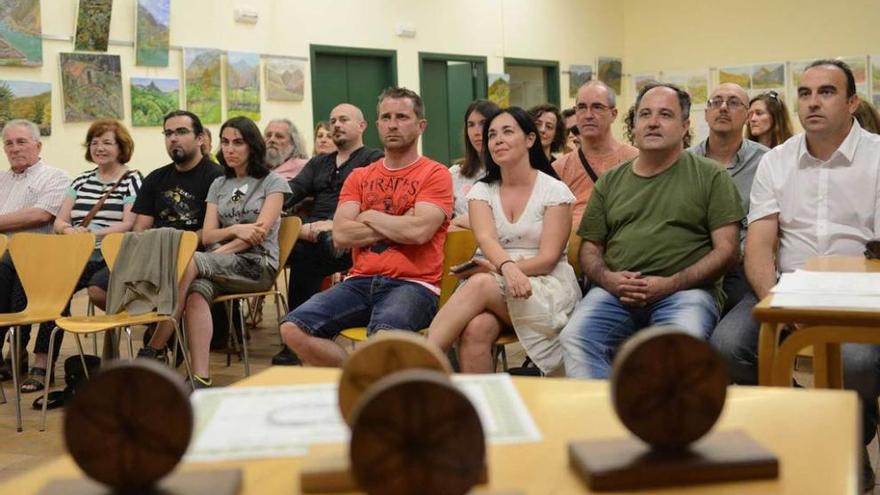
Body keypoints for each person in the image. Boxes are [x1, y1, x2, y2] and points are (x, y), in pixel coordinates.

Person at [709, 60, 880, 491]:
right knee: (728, 346)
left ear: (852, 102)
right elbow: (761, 247)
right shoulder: (776, 162)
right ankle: (815, 420)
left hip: (861, 290)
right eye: (804, 94)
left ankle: (849, 439)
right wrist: (780, 302)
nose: (813, 102)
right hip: (785, 286)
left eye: (826, 92)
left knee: (857, 362)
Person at [559, 83, 744, 379]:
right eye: (645, 114)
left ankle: (660, 422)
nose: (653, 122)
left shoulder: (711, 176)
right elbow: (590, 249)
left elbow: (727, 251)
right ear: (634, 125)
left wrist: (670, 283)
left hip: (686, 292)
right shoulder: (611, 182)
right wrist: (609, 279)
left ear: (684, 126)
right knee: (575, 337)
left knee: (675, 347)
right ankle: (603, 418)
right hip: (615, 293)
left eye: (665, 115)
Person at [279, 87, 452, 367]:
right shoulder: (360, 176)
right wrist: (399, 221)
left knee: (383, 340)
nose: (393, 124)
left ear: (421, 125)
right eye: (386, 117)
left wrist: (367, 214)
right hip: (359, 281)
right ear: (377, 124)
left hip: (414, 285)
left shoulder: (435, 173)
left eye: (402, 117)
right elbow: (343, 234)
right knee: (292, 328)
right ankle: (357, 377)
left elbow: (419, 232)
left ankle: (372, 385)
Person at [427, 107, 579, 374]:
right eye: (492, 135)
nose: (497, 140)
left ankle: (419, 360)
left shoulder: (555, 190)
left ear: (530, 140)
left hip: (544, 286)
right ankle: (480, 409)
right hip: (497, 279)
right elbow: (486, 238)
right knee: (476, 329)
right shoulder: (482, 190)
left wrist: (500, 269)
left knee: (481, 282)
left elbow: (548, 258)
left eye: (507, 131)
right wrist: (505, 268)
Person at [143, 116, 290, 388]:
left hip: (257, 265)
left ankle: (156, 343)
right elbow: (208, 234)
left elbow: (257, 235)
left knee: (191, 261)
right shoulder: (219, 184)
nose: (230, 149)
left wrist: (217, 253)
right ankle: (200, 377)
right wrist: (235, 231)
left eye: (238, 142)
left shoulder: (273, 183)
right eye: (225, 142)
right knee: (197, 291)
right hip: (217, 264)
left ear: (252, 146)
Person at [20, 120, 143, 393]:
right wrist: (70, 230)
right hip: (77, 255)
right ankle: (43, 363)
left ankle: (117, 349)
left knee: (97, 289)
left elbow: (128, 224)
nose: (99, 148)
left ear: (121, 147)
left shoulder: (132, 179)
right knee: (53, 293)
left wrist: (92, 233)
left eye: (107, 142)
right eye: (94, 143)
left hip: (112, 256)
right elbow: (60, 222)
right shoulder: (81, 180)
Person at [271, 103, 384, 366]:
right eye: (333, 120)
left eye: (344, 119)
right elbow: (293, 190)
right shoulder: (319, 162)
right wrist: (268, 204)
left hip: (349, 236)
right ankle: (300, 329)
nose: (336, 125)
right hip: (312, 233)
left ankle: (303, 332)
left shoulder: (372, 159)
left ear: (362, 126)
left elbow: (372, 204)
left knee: (311, 252)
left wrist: (331, 225)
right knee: (298, 251)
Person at [123, 110, 223, 362]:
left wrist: (181, 244)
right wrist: (148, 250)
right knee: (100, 288)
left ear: (200, 138)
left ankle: (155, 345)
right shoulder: (156, 178)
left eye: (181, 132)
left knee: (177, 277)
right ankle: (163, 337)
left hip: (198, 254)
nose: (173, 139)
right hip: (158, 252)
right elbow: (140, 227)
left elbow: (213, 228)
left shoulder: (217, 177)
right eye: (168, 133)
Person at [689, 83, 768, 315]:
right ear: (706, 114)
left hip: (744, 270)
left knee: (726, 341)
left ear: (747, 115)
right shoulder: (684, 162)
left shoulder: (767, 162)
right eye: (716, 102)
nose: (723, 108)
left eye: (733, 103)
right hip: (692, 267)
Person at [0, 119, 69, 380]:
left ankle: (18, 352)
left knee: (8, 266)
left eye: (22, 142)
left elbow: (40, 215)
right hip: (7, 258)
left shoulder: (56, 176)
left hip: (41, 257)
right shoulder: (1, 179)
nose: (15, 148)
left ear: (38, 146)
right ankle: (13, 352)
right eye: (9, 143)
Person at [552, 81, 639, 228]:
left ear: (613, 114)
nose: (588, 115)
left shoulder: (636, 160)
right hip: (573, 246)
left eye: (597, 107)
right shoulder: (559, 168)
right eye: (581, 108)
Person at [449, 99, 499, 229]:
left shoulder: (511, 171)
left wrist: (461, 220)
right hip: (462, 245)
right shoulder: (455, 173)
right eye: (471, 125)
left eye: (483, 123)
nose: (477, 132)